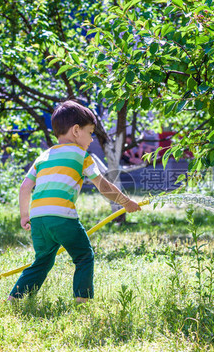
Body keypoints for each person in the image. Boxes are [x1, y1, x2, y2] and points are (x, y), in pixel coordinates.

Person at [8, 100, 141, 303]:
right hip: (62, 218)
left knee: (42, 261)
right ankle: (82, 300)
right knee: (84, 256)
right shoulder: (81, 155)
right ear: (76, 130)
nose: (91, 138)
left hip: (39, 219)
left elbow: (25, 187)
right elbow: (102, 185)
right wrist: (126, 202)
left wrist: (25, 216)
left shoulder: (43, 156)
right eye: (90, 133)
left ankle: (14, 298)